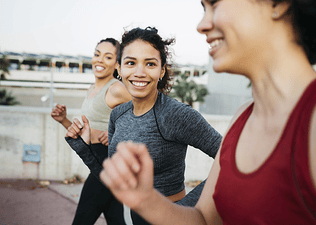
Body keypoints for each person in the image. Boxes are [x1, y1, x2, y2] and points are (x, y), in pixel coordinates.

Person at [99, 0, 316, 224]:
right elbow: (203, 218)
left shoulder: (312, 120)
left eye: (215, 3)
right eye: (204, 9)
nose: (201, 25)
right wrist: (146, 200)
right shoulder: (242, 119)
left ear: (277, 3)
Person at [65, 27, 222, 224]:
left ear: (162, 70)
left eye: (150, 64)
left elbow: (229, 160)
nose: (139, 73)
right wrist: (83, 145)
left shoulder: (175, 114)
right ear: (119, 69)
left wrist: (188, 209)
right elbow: (114, 181)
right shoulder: (118, 114)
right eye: (131, 63)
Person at [51, 38, 131, 225]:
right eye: (97, 54)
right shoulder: (92, 89)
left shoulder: (116, 89)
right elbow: (85, 131)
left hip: (108, 160)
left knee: (82, 220)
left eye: (108, 57)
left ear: (116, 64)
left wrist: (118, 134)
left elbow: (144, 113)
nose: (100, 60)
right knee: (115, 218)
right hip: (95, 157)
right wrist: (64, 120)